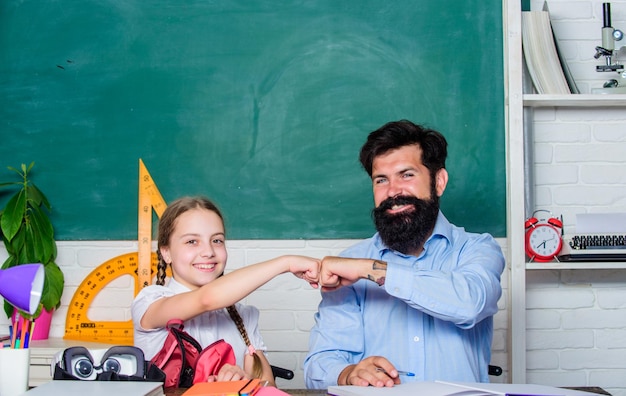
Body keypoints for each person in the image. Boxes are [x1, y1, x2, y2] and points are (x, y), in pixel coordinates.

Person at [304, 120, 505, 389]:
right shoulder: (349, 263)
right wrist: (347, 373)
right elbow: (320, 365)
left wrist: (374, 270)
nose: (393, 191)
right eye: (381, 180)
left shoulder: (477, 249)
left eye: (406, 175)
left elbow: (470, 302)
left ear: (439, 182)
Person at [132, 196, 320, 386]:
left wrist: (244, 382)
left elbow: (268, 388)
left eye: (217, 240)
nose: (208, 252)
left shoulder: (243, 316)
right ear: (166, 252)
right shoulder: (150, 302)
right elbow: (206, 299)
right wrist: (285, 263)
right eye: (192, 241)